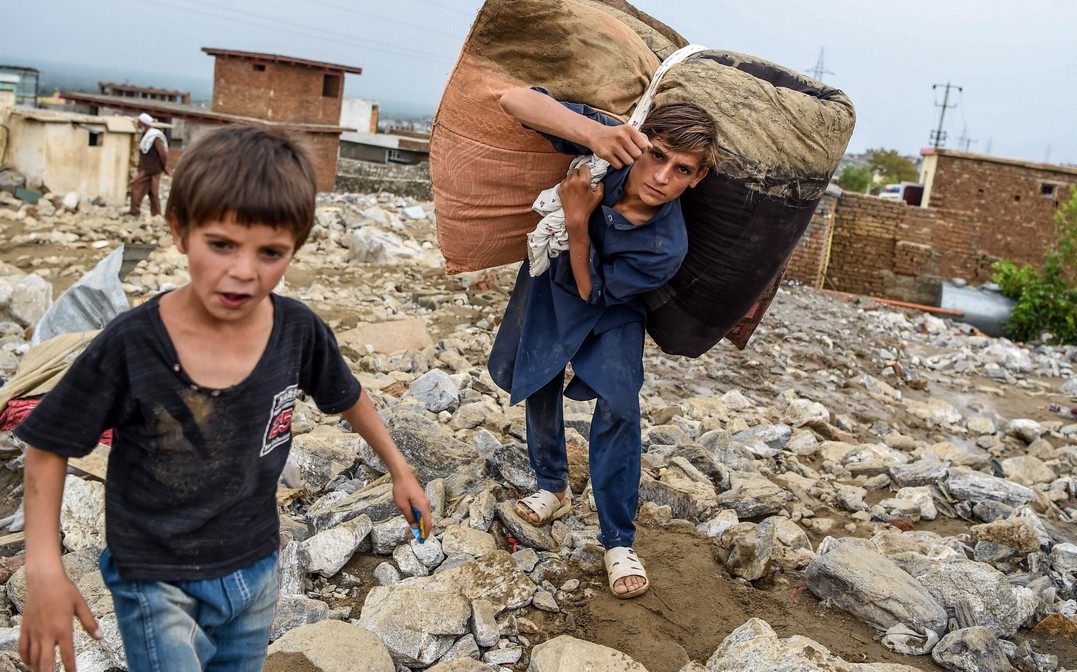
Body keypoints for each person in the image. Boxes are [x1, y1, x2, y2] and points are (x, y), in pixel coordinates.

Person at [16, 125, 432, 672]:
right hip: (154, 577)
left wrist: (400, 470)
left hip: (256, 568)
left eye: (271, 253)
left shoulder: (297, 332)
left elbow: (349, 399)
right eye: (221, 245)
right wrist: (45, 566)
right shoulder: (132, 345)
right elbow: (47, 445)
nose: (243, 271)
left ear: (295, 249)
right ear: (179, 231)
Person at [488, 86, 719, 600]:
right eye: (658, 155)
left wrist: (576, 220)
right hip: (550, 283)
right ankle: (553, 485)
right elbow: (513, 100)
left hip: (610, 309)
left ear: (698, 176)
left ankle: (618, 539)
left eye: (682, 169)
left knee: (619, 404)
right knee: (539, 375)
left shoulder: (666, 245)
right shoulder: (606, 155)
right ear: (642, 142)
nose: (662, 177)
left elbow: (594, 293)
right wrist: (593, 131)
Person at [127, 112, 170, 217]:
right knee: (152, 192)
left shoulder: (155, 137)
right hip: (148, 169)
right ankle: (153, 213)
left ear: (143, 124)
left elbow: (163, 153)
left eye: (139, 123)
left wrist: (165, 167)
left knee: (135, 185)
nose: (138, 125)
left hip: (153, 170)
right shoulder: (146, 136)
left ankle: (138, 212)